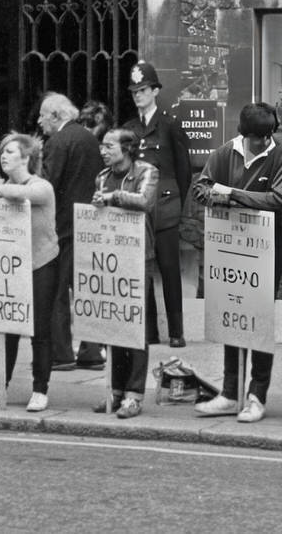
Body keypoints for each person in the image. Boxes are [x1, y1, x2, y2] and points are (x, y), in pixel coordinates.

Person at [190, 102, 282, 423]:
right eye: (257, 138)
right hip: (231, 242)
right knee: (232, 313)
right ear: (244, 134)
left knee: (259, 317)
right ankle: (230, 392)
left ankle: (256, 396)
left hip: (266, 244)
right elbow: (200, 189)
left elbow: (277, 200)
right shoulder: (225, 152)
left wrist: (231, 193)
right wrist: (223, 194)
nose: (264, 142)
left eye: (268, 136)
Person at [0, 133, 60, 413]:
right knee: (6, 328)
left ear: (27, 158)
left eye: (11, 152)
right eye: (2, 151)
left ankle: (40, 390)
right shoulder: (1, 183)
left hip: (41, 263)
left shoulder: (42, 186)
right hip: (10, 265)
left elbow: (25, 194)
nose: (3, 156)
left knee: (39, 328)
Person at [90, 127, 158, 418]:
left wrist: (111, 198)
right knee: (113, 321)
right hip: (111, 256)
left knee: (135, 324)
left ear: (127, 149)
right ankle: (115, 390)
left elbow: (144, 202)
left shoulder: (147, 171)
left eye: (109, 146)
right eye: (102, 146)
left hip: (138, 255)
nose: (103, 151)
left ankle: (134, 394)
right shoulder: (102, 176)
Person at [122, 61, 191, 347]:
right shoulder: (128, 128)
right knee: (142, 269)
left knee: (169, 268)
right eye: (135, 91)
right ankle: (149, 331)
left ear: (155, 90)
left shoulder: (170, 125)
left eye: (143, 89)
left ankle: (176, 332)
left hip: (165, 206)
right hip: (140, 207)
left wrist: (176, 203)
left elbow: (184, 171)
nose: (138, 95)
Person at [38, 92, 106, 371]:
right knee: (87, 288)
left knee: (56, 291)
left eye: (43, 115)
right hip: (88, 222)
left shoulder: (58, 141)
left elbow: (48, 183)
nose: (40, 121)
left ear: (55, 116)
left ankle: (62, 352)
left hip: (63, 225)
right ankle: (91, 351)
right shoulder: (89, 137)